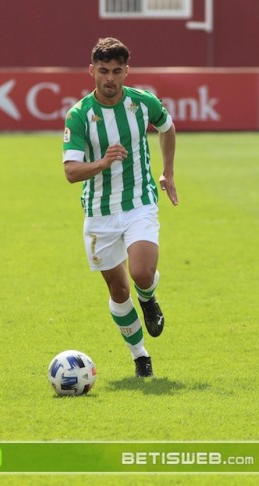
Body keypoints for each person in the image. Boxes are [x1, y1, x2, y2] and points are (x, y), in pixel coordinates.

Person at [62, 37, 178, 378]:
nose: (110, 79)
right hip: (99, 212)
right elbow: (70, 172)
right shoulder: (80, 115)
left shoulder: (142, 103)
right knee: (118, 289)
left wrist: (168, 170)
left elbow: (168, 127)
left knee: (141, 273)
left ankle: (149, 297)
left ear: (127, 71)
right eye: (103, 71)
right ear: (91, 71)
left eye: (116, 71)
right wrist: (102, 162)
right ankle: (139, 355)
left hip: (140, 202)